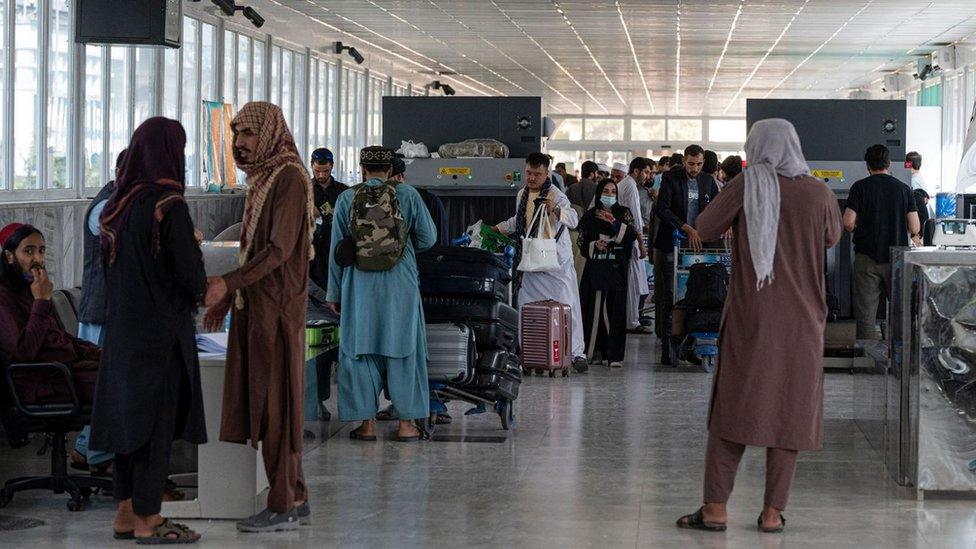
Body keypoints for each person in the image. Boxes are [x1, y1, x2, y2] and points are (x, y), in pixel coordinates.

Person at [675, 118, 843, 534]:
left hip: (753, 317)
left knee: (733, 407)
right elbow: (832, 238)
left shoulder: (749, 185)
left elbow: (706, 228)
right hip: (804, 323)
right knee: (789, 413)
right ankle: (772, 513)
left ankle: (715, 508)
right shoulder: (820, 192)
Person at [89, 117, 207, 544]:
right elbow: (190, 275)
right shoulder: (168, 205)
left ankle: (124, 515)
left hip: (121, 333)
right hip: (160, 335)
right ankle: (149, 521)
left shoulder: (115, 207)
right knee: (155, 428)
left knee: (126, 426)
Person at [203, 102, 316, 533]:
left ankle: (282, 502)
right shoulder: (264, 179)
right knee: (273, 403)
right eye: (237, 134)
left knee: (276, 405)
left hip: (279, 312)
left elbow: (279, 250)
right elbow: (255, 249)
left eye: (249, 134)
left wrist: (227, 284)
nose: (240, 143)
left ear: (269, 134)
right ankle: (295, 494)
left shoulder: (286, 177)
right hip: (260, 309)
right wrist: (230, 299)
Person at [326, 146, 437, 441]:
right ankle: (406, 425)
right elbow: (429, 238)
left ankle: (367, 425)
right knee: (403, 351)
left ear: (362, 169)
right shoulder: (409, 195)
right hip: (400, 283)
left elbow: (338, 251)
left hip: (359, 286)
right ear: (390, 169)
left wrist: (333, 293)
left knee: (360, 351)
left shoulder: (346, 198)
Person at [495, 152, 587, 373]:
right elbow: (520, 221)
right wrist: (498, 228)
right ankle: (527, 350)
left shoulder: (556, 195)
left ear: (547, 174)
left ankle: (576, 353)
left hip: (556, 263)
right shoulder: (522, 195)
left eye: (537, 174)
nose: (532, 178)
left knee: (566, 306)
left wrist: (554, 208)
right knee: (526, 306)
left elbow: (574, 218)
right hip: (531, 260)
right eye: (528, 173)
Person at [0, 224, 101, 404]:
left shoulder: (28, 292)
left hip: (64, 371)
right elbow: (24, 352)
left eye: (41, 251)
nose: (38, 259)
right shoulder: (5, 298)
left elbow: (56, 337)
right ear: (9, 256)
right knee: (128, 383)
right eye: (29, 252)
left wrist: (97, 352)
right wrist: (42, 301)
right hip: (42, 382)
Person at [72, 149, 126, 475]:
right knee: (102, 383)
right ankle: (94, 454)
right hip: (101, 311)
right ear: (121, 172)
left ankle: (86, 449)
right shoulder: (105, 207)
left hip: (114, 310)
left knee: (109, 383)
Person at [843, 144, 920, 340]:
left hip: (866, 259)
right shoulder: (904, 189)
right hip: (896, 260)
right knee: (900, 314)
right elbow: (914, 227)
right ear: (889, 164)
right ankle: (898, 361)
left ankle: (869, 364)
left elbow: (848, 222)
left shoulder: (859, 187)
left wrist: (862, 229)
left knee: (866, 317)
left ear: (867, 165)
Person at [653, 145, 719, 359]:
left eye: (699, 164)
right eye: (691, 163)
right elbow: (662, 209)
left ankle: (694, 337)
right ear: (684, 161)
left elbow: (718, 208)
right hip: (673, 243)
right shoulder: (671, 179)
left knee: (698, 292)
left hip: (699, 247)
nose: (695, 168)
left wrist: (724, 225)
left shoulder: (708, 182)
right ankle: (668, 340)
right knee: (671, 294)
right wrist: (686, 228)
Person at [578, 179, 639, 368]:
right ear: (599, 192)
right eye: (606, 191)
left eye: (613, 191)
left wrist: (613, 223)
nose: (610, 195)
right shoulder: (590, 215)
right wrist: (594, 245)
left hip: (616, 268)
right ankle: (591, 351)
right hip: (596, 267)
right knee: (591, 308)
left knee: (615, 310)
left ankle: (613, 355)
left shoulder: (623, 213)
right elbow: (581, 241)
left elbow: (630, 236)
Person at [615, 157, 652, 330]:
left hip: (626, 238)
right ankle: (631, 321)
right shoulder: (630, 186)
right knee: (633, 282)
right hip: (629, 240)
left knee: (634, 280)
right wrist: (641, 243)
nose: (647, 175)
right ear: (636, 171)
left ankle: (633, 317)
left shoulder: (627, 184)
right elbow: (635, 217)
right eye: (646, 171)